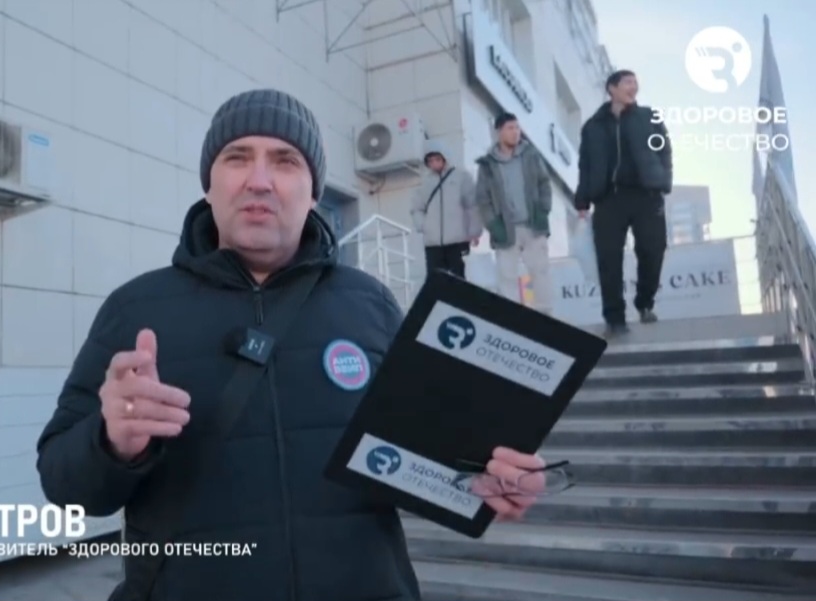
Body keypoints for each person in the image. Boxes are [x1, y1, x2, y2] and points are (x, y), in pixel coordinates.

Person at [35, 89, 547, 601]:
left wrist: (488, 479)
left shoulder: (370, 304)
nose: (259, 180)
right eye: (237, 157)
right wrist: (112, 443)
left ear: (313, 191)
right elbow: (64, 485)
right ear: (209, 185)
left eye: (285, 161)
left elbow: (424, 459)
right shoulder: (136, 309)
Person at [574, 69, 672, 337]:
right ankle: (614, 317)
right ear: (612, 88)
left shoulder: (649, 117)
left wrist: (663, 180)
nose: (634, 87)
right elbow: (585, 164)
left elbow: (664, 151)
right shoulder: (593, 126)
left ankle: (645, 302)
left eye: (635, 82)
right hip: (608, 199)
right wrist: (582, 197)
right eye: (628, 82)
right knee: (608, 259)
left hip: (646, 195)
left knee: (653, 249)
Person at [474, 113, 555, 315]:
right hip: (505, 229)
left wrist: (543, 210)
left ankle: (547, 317)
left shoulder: (531, 155)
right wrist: (493, 225)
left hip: (533, 225)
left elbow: (544, 183)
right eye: (510, 128)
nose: (515, 132)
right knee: (507, 277)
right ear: (499, 132)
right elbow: (483, 199)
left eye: (517, 128)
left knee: (540, 272)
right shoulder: (488, 165)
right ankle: (512, 319)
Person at [410, 139, 483, 278]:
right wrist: (423, 225)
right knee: (435, 279)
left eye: (437, 159)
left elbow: (472, 205)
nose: (434, 163)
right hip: (433, 243)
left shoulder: (461, 177)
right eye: (430, 161)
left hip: (458, 240)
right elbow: (416, 208)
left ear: (445, 158)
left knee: (459, 279)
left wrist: (474, 231)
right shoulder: (424, 183)